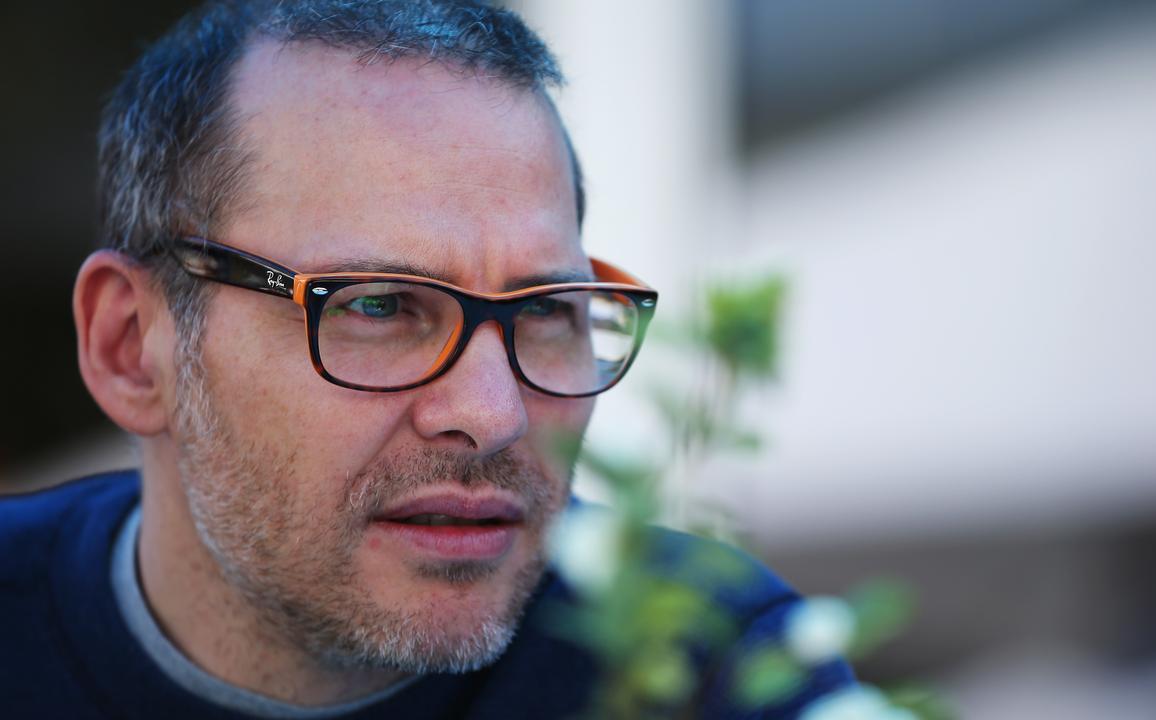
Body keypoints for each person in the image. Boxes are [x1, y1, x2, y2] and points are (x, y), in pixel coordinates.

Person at [0, 1, 855, 717]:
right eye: (378, 305)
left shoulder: (710, 665)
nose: (493, 415)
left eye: (548, 310)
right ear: (131, 348)